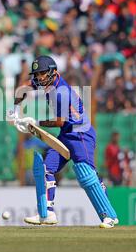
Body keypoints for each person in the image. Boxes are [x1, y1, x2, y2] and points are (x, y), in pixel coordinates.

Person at [8, 55, 119, 228]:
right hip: (66, 134)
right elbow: (23, 88)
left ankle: (109, 216)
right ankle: (47, 213)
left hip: (81, 134)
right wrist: (14, 111)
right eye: (37, 74)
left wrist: (35, 122)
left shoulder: (61, 93)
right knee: (46, 168)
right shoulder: (44, 82)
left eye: (43, 73)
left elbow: (60, 121)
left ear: (52, 72)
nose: (39, 78)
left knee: (87, 175)